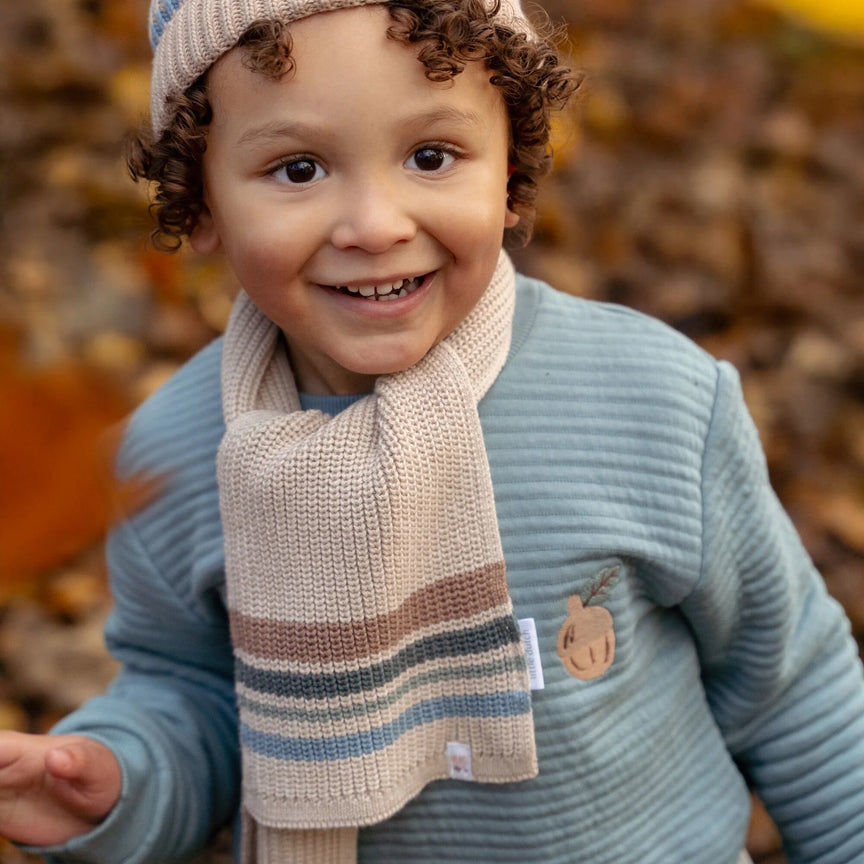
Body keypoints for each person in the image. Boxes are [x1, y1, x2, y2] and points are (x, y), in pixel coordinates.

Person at [1, 0, 863, 861]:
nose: (376, 225)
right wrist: (120, 776)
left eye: (431, 156)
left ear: (513, 168)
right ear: (204, 203)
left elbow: (792, 685)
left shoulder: (653, 399)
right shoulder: (174, 460)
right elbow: (194, 698)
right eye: (298, 169)